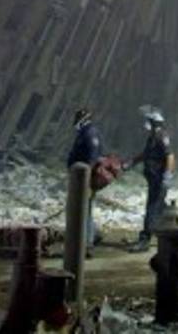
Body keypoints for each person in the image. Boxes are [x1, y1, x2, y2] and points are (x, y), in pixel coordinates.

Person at [126, 105, 175, 252]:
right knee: (160, 208)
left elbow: (170, 156)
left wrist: (167, 176)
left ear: (153, 122)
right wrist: (132, 162)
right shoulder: (152, 137)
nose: (145, 123)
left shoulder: (161, 136)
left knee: (152, 209)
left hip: (159, 180)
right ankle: (173, 230)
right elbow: (146, 154)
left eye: (147, 120)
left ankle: (144, 240)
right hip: (153, 179)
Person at [67, 107, 102, 257]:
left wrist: (86, 181)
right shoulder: (83, 133)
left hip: (85, 178)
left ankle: (87, 244)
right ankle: (93, 234)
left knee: (85, 210)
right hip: (79, 177)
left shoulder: (90, 133)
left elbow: (92, 159)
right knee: (84, 209)